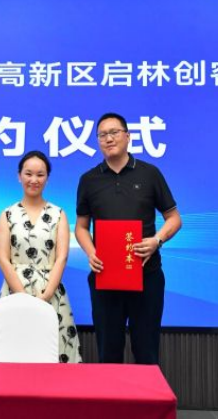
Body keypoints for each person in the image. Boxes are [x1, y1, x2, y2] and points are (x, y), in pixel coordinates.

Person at [75, 112, 181, 365]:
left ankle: (145, 393)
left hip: (147, 276)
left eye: (114, 132)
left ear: (128, 136)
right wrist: (91, 252)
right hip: (106, 277)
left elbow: (174, 218)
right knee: (108, 353)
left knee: (146, 352)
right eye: (102, 135)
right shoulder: (88, 180)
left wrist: (157, 240)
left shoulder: (150, 173)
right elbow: (81, 227)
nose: (108, 139)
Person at [0, 150, 81, 363]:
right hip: (15, 291)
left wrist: (46, 296)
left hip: (51, 292)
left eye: (40, 175)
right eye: (28, 174)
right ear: (19, 176)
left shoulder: (58, 214)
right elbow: (3, 259)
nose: (34, 180)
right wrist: (22, 296)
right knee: (14, 350)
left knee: (55, 352)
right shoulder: (7, 214)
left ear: (47, 178)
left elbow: (61, 258)